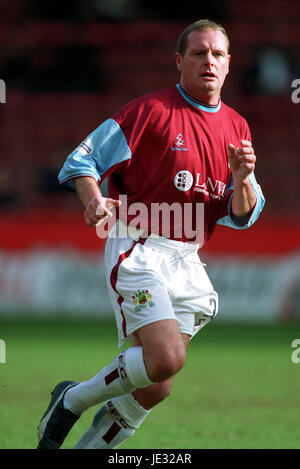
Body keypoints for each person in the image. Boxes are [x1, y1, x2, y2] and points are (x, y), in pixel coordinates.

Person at [37, 19, 265, 449]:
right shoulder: (151, 112)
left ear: (230, 64)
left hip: (189, 256)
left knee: (156, 384)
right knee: (165, 359)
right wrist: (93, 198)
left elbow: (240, 215)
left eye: (217, 54)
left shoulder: (237, 127)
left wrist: (243, 178)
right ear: (180, 61)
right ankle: (72, 399)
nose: (208, 62)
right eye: (198, 53)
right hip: (139, 245)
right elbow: (82, 160)